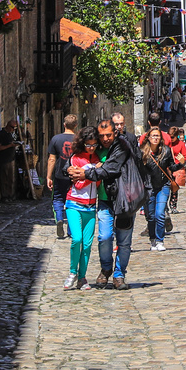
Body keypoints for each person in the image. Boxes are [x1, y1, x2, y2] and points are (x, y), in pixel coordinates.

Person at [71, 118, 143, 290]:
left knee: (124, 241)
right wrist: (69, 168)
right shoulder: (95, 147)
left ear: (115, 133)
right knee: (104, 237)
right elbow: (76, 157)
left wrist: (85, 174)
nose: (105, 139)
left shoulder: (122, 146)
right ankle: (106, 268)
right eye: (102, 135)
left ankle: (119, 275)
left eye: (108, 135)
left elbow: (110, 168)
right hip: (104, 199)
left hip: (125, 199)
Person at [62, 129, 100, 290]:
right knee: (76, 238)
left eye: (94, 145)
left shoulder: (99, 159)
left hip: (91, 207)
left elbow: (98, 182)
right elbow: (78, 183)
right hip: (74, 203)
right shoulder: (76, 158)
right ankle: (72, 272)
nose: (91, 148)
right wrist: (93, 172)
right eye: (88, 145)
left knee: (87, 244)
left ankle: (82, 277)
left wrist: (90, 173)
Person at [139, 123, 176, 252]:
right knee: (151, 216)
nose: (155, 138)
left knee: (160, 214)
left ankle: (160, 240)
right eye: (153, 136)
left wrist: (182, 164)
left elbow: (171, 167)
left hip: (163, 185)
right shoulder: (143, 152)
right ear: (148, 137)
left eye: (158, 136)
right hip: (149, 187)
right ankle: (153, 239)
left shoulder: (165, 151)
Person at [45, 114, 80, 240]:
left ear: (64, 124)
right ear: (76, 126)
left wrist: (49, 176)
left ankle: (59, 219)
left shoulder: (55, 139)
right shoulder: (79, 139)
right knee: (73, 201)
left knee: (58, 199)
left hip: (60, 174)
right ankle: (71, 229)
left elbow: (51, 159)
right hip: (75, 175)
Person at [0, 122, 18, 199]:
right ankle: (4, 196)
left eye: (15, 128)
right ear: (7, 126)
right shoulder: (2, 134)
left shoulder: (10, 134)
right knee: (4, 179)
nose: (13, 129)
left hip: (11, 159)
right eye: (12, 127)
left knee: (10, 179)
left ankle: (10, 195)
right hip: (3, 160)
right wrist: (10, 145)